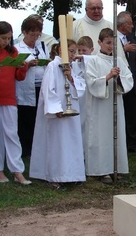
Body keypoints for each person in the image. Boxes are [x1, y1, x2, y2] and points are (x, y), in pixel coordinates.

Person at [29, 40, 86, 189]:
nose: (73, 55)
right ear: (61, 50)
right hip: (57, 111)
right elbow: (48, 89)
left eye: (75, 51)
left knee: (71, 142)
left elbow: (81, 86)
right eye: (71, 51)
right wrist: (56, 108)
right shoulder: (52, 66)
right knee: (57, 143)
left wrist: (71, 78)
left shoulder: (72, 67)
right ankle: (54, 175)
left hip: (71, 108)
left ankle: (72, 174)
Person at [83, 28, 133, 183]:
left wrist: (119, 79)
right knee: (100, 135)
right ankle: (101, 170)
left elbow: (128, 79)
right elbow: (91, 82)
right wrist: (108, 76)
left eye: (113, 43)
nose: (111, 46)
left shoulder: (119, 61)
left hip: (115, 104)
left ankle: (117, 168)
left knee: (116, 134)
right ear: (99, 43)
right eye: (108, 43)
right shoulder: (93, 61)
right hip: (100, 106)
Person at [0, 22, 31, 185]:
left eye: (9, 38)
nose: (6, 41)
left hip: (9, 97)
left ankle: (17, 171)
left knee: (11, 134)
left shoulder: (13, 51)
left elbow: (19, 76)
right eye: (3, 38)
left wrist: (22, 67)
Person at [15, 16, 50, 157]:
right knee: (26, 118)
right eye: (32, 34)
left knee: (39, 118)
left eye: (37, 35)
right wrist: (27, 65)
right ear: (24, 32)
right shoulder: (17, 48)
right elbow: (15, 67)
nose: (34, 38)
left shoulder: (42, 46)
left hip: (40, 85)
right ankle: (26, 150)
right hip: (25, 87)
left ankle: (38, 149)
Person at [117, 11, 136, 153]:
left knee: (133, 114)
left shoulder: (132, 39)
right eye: (130, 24)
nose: (132, 27)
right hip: (118, 81)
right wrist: (123, 49)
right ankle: (120, 142)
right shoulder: (113, 38)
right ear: (122, 25)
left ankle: (132, 144)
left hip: (132, 82)